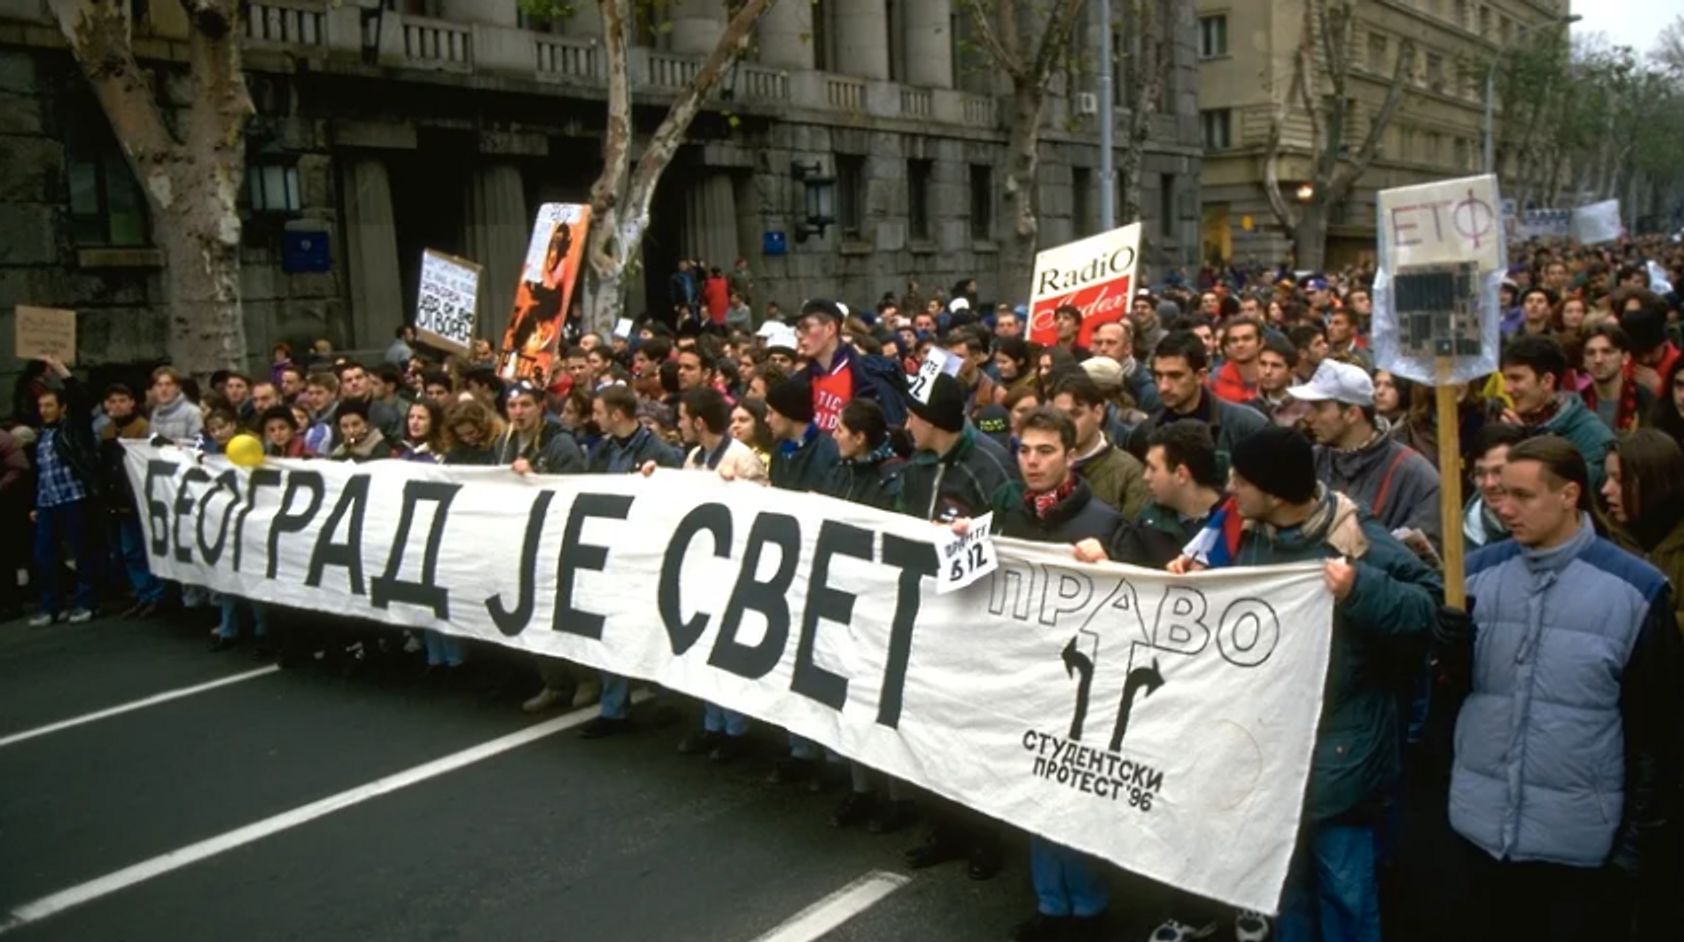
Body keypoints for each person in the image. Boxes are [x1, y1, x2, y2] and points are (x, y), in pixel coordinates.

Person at [1161, 426, 1441, 942]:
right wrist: (1194, 580)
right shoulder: (1245, 530)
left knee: (1345, 892)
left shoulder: (1355, 538)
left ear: (1274, 492)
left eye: (1241, 481)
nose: (1230, 489)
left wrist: (1361, 589)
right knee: (1286, 893)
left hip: (1342, 757)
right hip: (1274, 755)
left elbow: (1430, 609)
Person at [1447, 435, 1682, 942]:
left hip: (1578, 852)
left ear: (1570, 495)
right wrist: (1441, 656)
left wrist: (1634, 851)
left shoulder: (1636, 592)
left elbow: (1659, 733)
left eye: (1524, 496)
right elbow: (1449, 703)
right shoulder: (1473, 577)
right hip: (1479, 836)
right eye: (1500, 493)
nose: (1505, 508)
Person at [980, 407, 1121, 942]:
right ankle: (1051, 905)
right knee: (1035, 796)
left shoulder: (1103, 523)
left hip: (1080, 685)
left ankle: (1088, 910)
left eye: (1045, 452)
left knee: (1075, 798)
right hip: (1024, 677)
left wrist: (1107, 561)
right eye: (1024, 450)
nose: (1032, 462)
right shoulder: (1009, 513)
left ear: (1070, 455)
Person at [658, 387, 765, 762]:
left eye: (684, 418)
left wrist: (736, 487)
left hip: (733, 568)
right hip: (702, 564)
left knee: (726, 650)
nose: (680, 424)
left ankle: (736, 728)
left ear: (699, 422)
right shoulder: (693, 457)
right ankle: (712, 722)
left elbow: (766, 510)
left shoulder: (742, 458)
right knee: (702, 646)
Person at [1290, 359, 1442, 547]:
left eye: (1319, 408)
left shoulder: (1416, 475)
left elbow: (1423, 561)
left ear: (1352, 414)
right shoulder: (1308, 463)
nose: (1308, 417)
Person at [1125, 330, 1268, 478]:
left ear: (1200, 376)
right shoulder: (1144, 434)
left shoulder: (1246, 427)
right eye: (1159, 376)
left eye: (1175, 376)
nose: (1163, 387)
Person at [28, 358, 100, 626]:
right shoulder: (42, 436)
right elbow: (41, 473)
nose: (44, 411)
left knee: (82, 552)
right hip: (49, 502)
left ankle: (86, 602)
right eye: (41, 406)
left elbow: (80, 401)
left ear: (62, 408)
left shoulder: (73, 429)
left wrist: (61, 371)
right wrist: (36, 503)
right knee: (44, 556)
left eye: (49, 405)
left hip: (74, 498)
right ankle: (51, 606)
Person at [898, 372, 1020, 523]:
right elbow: (902, 519)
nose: (907, 426)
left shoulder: (994, 468)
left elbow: (1012, 532)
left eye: (911, 417)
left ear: (929, 421)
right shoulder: (916, 462)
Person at [1498, 334, 1614, 491]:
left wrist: (1527, 443)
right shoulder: (1510, 424)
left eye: (1516, 378)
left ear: (1547, 381)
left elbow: (1586, 493)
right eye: (1506, 379)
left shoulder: (1592, 434)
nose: (1507, 389)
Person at [1602, 429, 1684, 632]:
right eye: (1607, 478)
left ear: (1655, 483)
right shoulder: (1602, 538)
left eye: (1619, 480)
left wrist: (1644, 624)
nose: (1606, 489)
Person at [98, 383, 164, 619]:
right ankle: (142, 592)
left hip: (139, 497)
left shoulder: (142, 428)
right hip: (118, 497)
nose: (117, 405)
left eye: (122, 400)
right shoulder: (107, 431)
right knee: (130, 550)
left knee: (145, 547)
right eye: (112, 401)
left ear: (132, 402)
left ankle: (156, 595)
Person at [1048, 372, 1149, 520]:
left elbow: (1133, 535)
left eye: (1076, 414)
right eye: (1059, 416)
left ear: (1098, 413)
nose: (1067, 424)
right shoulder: (1044, 463)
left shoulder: (1129, 473)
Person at [795, 299, 908, 430]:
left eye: (806, 327)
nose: (799, 335)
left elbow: (888, 437)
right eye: (798, 328)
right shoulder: (799, 382)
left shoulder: (870, 378)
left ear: (830, 328)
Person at [764, 377, 841, 494]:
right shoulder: (779, 451)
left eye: (771, 413)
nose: (766, 419)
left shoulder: (829, 453)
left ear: (789, 414)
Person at [494, 380, 585, 474]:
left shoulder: (560, 443)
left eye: (525, 405)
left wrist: (534, 477)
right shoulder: (503, 443)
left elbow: (571, 483)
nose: (518, 412)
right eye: (512, 406)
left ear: (539, 407)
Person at [1579, 322, 1655, 433]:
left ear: (1625, 357)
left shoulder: (1646, 402)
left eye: (1607, 352)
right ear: (1584, 361)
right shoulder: (1577, 405)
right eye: (1590, 353)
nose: (1598, 360)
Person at [1462, 423, 1526, 549]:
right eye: (1480, 473)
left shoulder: (1553, 526)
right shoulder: (1460, 534)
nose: (1489, 483)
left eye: (1499, 471)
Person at [1209, 315, 1264, 404]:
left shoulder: (1273, 377)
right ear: (1228, 346)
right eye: (1234, 340)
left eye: (1247, 338)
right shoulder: (1214, 380)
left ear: (1261, 343)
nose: (1240, 344)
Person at [148, 366, 203, 443]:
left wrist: (172, 443)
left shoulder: (192, 412)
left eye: (168, 384)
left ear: (178, 388)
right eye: (159, 385)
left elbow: (199, 443)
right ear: (154, 389)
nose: (163, 389)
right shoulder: (155, 413)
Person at [327, 400, 394, 462]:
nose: (351, 431)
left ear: (367, 423)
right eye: (345, 426)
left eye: (355, 424)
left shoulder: (379, 445)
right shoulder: (347, 444)